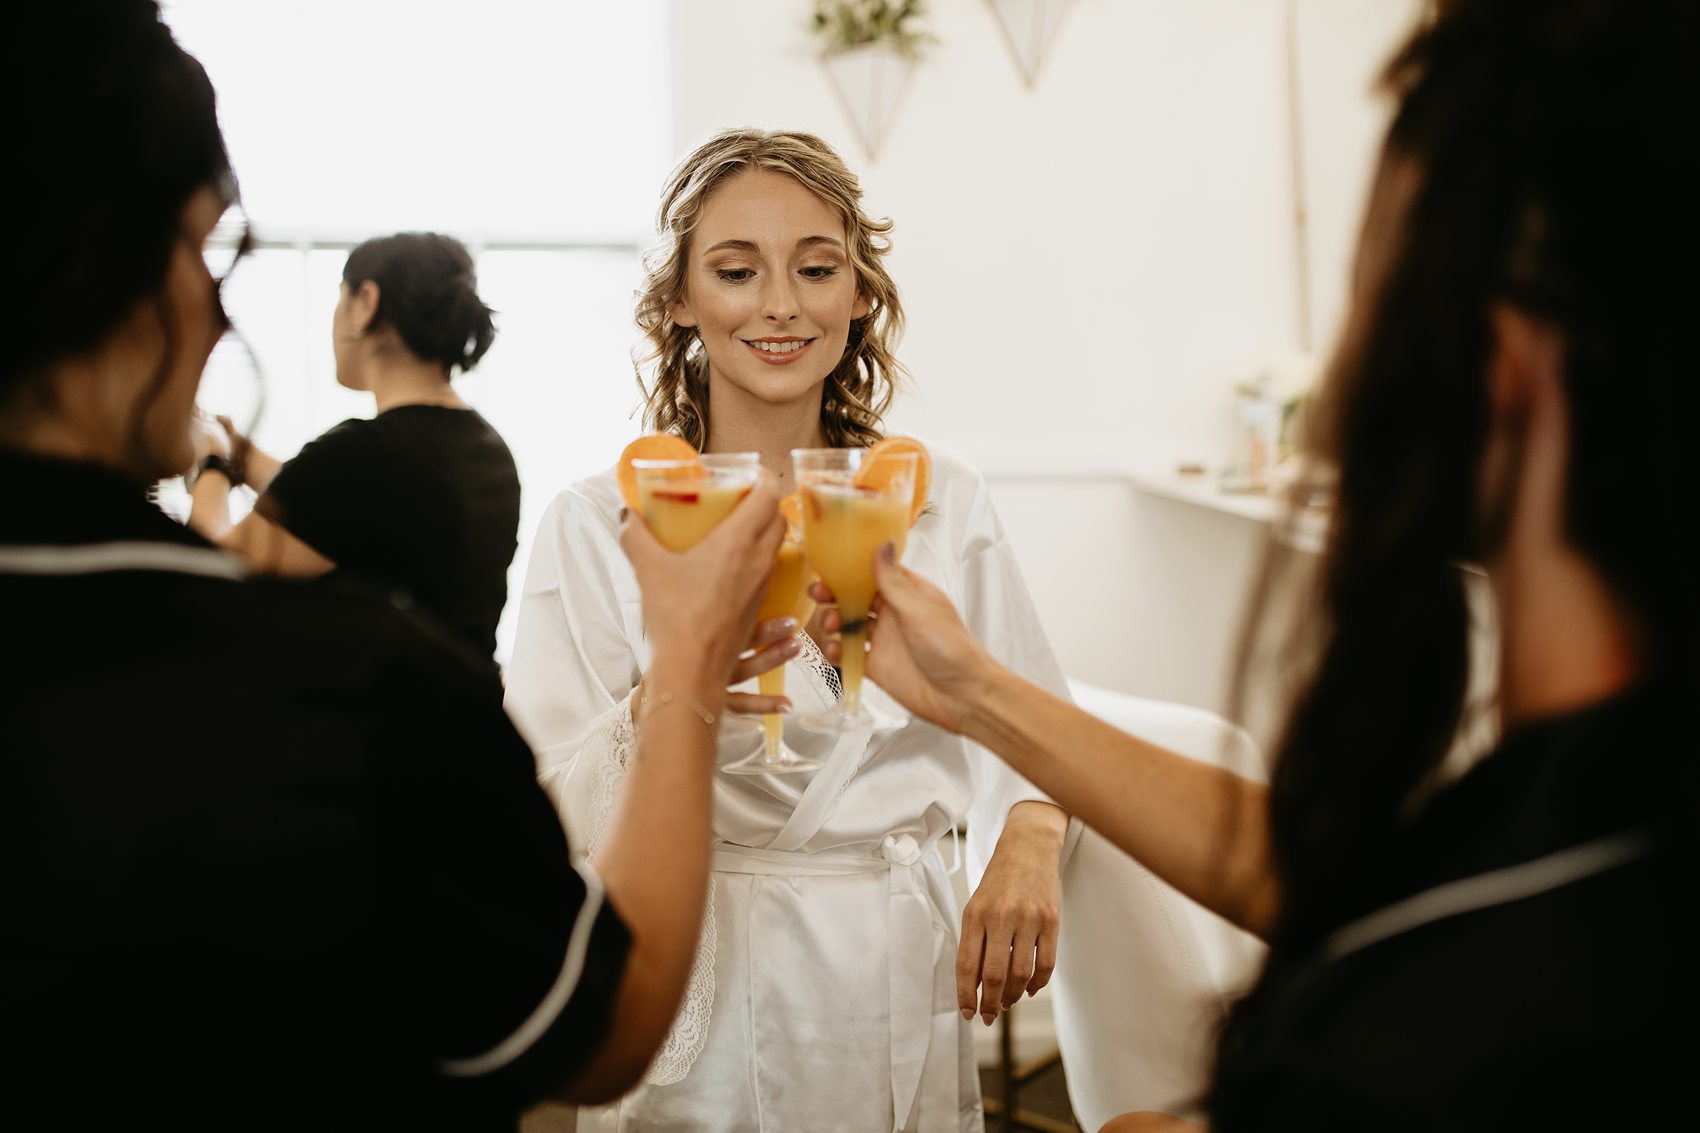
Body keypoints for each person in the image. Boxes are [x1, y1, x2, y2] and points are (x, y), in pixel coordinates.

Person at [852, 1, 1697, 1129]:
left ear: (1497, 361)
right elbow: (1346, 875)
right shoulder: (1596, 790)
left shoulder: (1444, 1029)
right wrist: (976, 691)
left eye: (1379, 263)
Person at [0, 3, 789, 1128]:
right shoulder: (394, 624)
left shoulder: (351, 474)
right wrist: (690, 661)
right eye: (210, 246)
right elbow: (606, 1028)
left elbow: (289, 517)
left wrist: (222, 468)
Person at [504, 129, 1071, 1131]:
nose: (779, 304)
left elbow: (1035, 724)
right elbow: (537, 792)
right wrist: (663, 696)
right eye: (735, 270)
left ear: (859, 295)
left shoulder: (939, 505)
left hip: (887, 959)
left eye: (816, 268)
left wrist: (1027, 834)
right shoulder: (599, 523)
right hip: (687, 960)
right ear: (679, 298)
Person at [189, 231, 519, 662]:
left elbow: (206, 571)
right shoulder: (486, 448)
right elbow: (339, 510)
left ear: (365, 302)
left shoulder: (363, 456)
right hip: (465, 714)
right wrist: (241, 452)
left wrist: (210, 462)